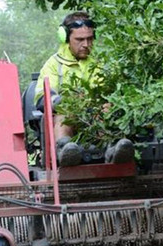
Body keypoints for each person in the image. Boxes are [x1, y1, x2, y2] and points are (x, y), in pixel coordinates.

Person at [34, 11, 134, 166]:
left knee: (108, 108)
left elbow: (116, 93)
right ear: (65, 38)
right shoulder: (54, 64)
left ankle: (113, 150)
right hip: (71, 118)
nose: (86, 44)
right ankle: (66, 151)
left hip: (97, 118)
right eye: (80, 40)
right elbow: (42, 98)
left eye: (90, 39)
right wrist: (67, 102)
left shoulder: (103, 63)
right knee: (62, 115)